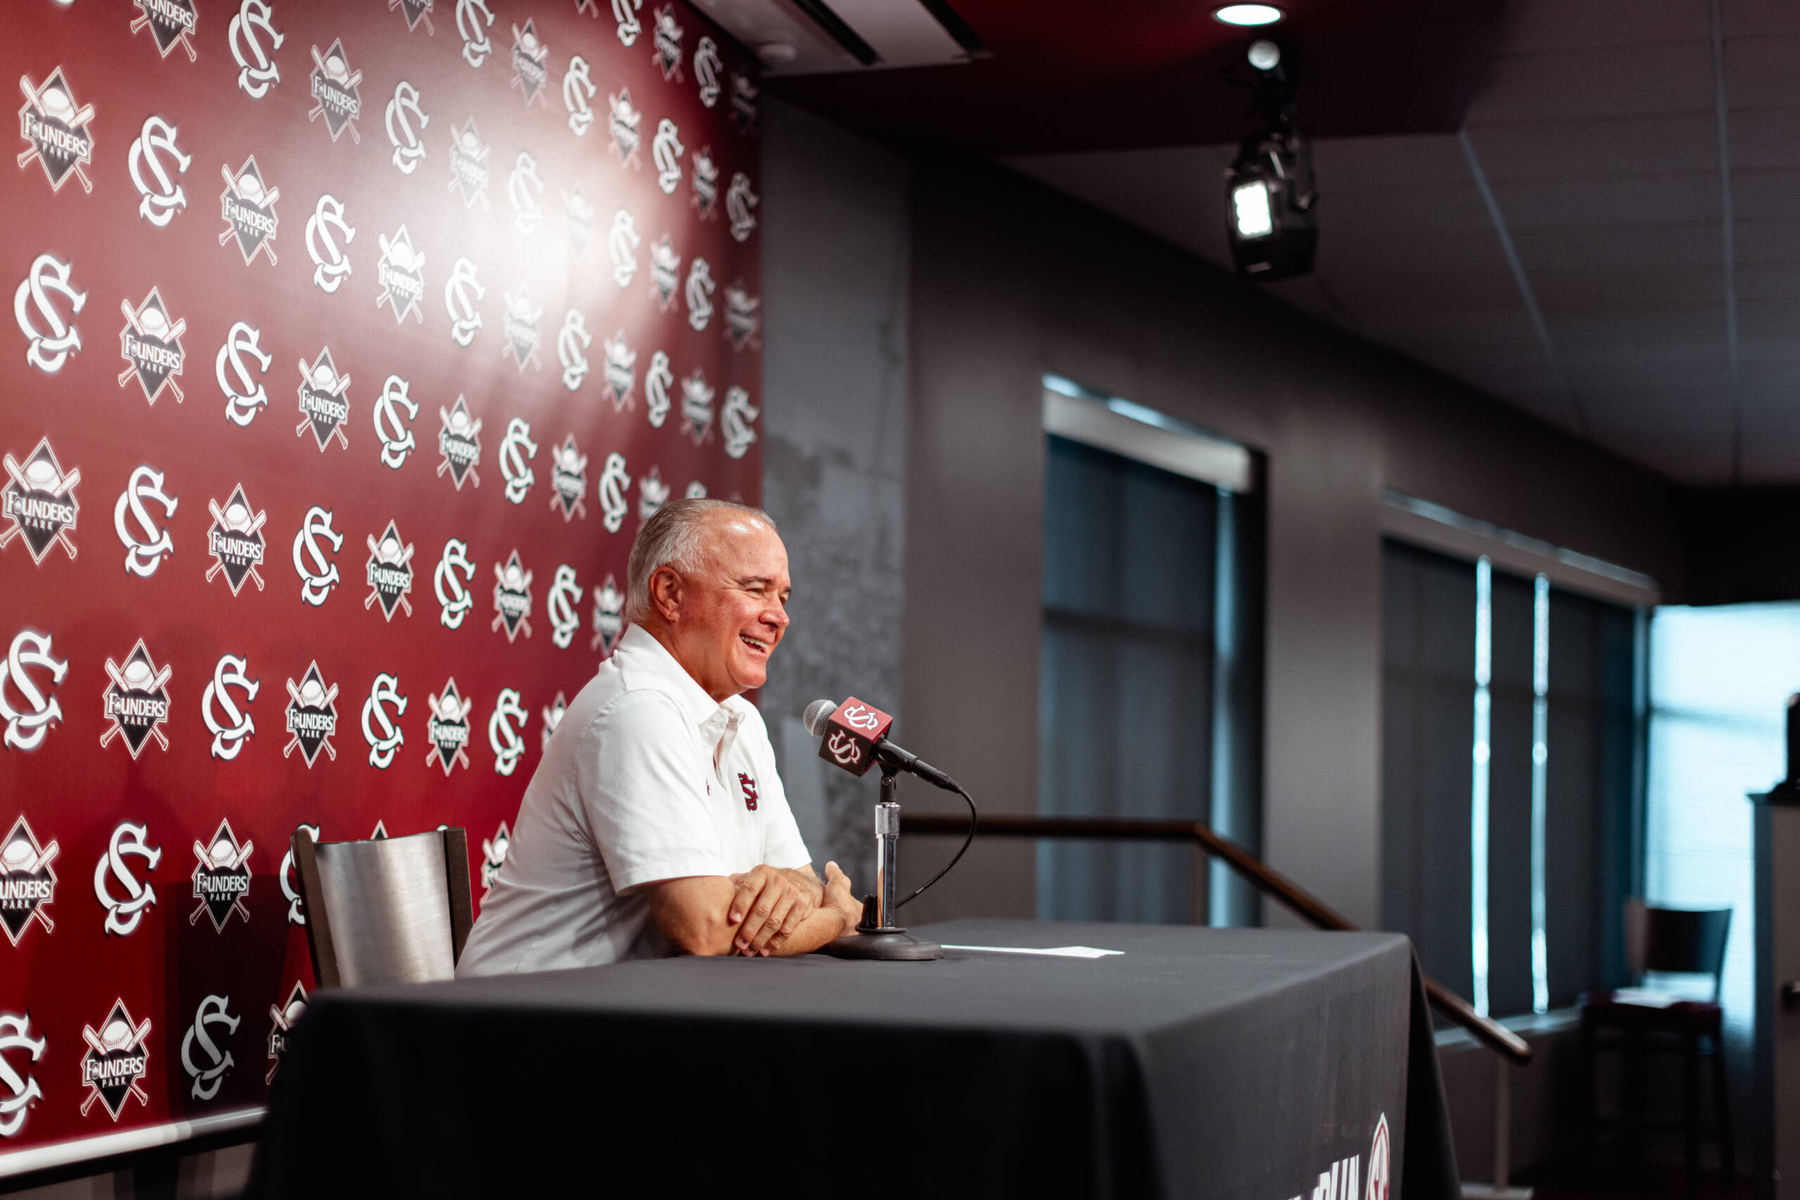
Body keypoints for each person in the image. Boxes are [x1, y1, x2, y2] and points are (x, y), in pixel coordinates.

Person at [456, 499, 861, 975]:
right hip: (517, 1023)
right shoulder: (637, 706)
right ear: (670, 593)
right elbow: (706, 930)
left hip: (629, 1012)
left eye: (783, 598)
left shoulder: (741, 720)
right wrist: (835, 917)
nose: (779, 617)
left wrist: (804, 892)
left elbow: (799, 878)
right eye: (755, 590)